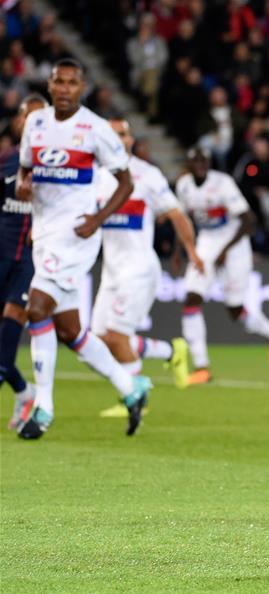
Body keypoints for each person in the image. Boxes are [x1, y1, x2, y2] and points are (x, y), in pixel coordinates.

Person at [15, 59, 151, 439]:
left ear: (82, 87)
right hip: (43, 235)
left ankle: (43, 408)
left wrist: (98, 219)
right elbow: (27, 172)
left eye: (72, 83)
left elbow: (125, 183)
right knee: (69, 329)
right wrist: (25, 188)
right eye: (59, 82)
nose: (64, 89)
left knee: (37, 307)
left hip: (77, 235)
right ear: (50, 83)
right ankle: (130, 387)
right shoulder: (35, 124)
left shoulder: (94, 128)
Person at [91, 117, 204, 397]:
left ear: (131, 140)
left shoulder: (147, 175)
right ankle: (171, 351)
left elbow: (177, 214)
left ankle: (134, 398)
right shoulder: (94, 175)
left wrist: (191, 251)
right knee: (96, 344)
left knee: (117, 338)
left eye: (125, 134)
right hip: (111, 271)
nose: (121, 139)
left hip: (138, 268)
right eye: (114, 134)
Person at [175, 146, 269, 385]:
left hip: (235, 245)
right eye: (196, 161)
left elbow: (248, 221)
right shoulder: (183, 186)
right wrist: (180, 251)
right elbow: (182, 220)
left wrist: (225, 250)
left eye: (204, 160)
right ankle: (202, 367)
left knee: (234, 309)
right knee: (191, 298)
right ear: (189, 164)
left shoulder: (222, 183)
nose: (201, 165)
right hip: (206, 243)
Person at [1, 93, 46, 429]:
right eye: (25, 116)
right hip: (2, 257)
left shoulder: (58, 169)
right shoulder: (4, 163)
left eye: (37, 117)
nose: (30, 123)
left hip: (31, 262)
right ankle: (23, 389)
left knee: (13, 319)